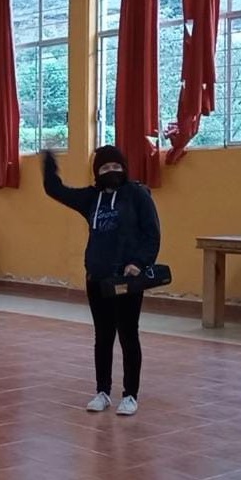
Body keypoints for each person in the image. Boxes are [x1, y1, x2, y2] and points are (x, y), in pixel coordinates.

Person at [41, 147, 161, 416]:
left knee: (128, 336)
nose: (111, 172)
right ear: (97, 172)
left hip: (127, 280)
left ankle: (130, 395)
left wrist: (139, 263)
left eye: (116, 167)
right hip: (97, 279)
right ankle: (102, 392)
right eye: (105, 169)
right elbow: (57, 191)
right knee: (103, 337)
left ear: (124, 168)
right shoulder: (91, 198)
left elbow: (152, 234)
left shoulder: (138, 195)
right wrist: (49, 164)